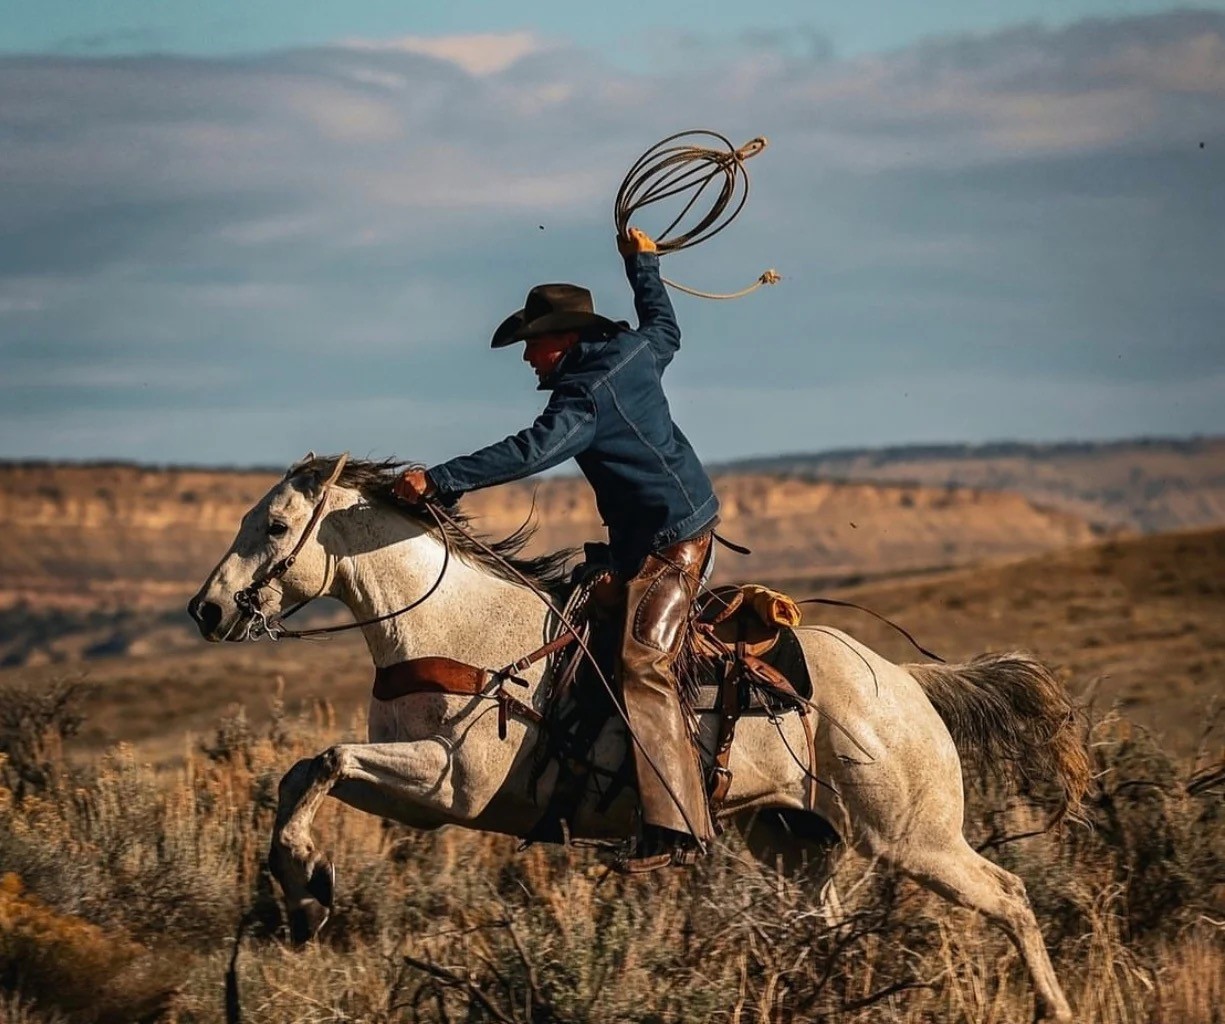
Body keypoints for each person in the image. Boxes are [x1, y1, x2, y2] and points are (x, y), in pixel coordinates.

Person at [393, 228, 719, 869]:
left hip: (671, 542)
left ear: (563, 339)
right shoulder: (633, 349)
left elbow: (532, 450)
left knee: (642, 665)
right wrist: (643, 263)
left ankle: (677, 827)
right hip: (652, 531)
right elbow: (666, 328)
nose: (527, 359)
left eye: (532, 344)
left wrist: (441, 479)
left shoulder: (587, 393)